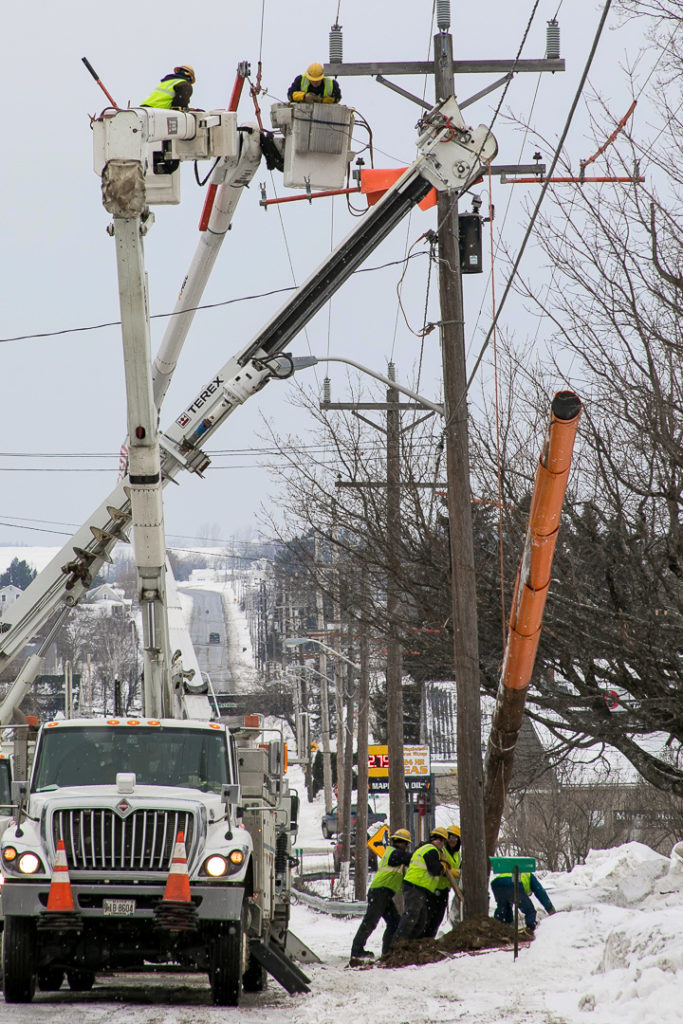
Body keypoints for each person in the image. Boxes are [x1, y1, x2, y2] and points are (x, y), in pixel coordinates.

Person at [349, 828, 412, 962]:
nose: (405, 847)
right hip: (380, 892)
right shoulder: (394, 853)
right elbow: (408, 858)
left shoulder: (394, 854)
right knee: (370, 922)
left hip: (384, 893)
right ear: (402, 843)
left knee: (394, 922)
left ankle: (387, 952)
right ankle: (357, 951)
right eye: (405, 844)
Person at [388, 827, 447, 948]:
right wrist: (443, 867)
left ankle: (410, 945)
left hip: (417, 887)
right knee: (411, 916)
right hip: (415, 887)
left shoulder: (425, 848)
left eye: (442, 840)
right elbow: (435, 870)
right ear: (433, 839)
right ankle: (397, 945)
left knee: (421, 920)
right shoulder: (431, 850)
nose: (440, 842)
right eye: (437, 839)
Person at [422, 824, 461, 938]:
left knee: (437, 919)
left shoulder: (458, 855)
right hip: (433, 888)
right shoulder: (440, 850)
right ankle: (424, 940)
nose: (451, 840)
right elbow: (437, 867)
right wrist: (451, 872)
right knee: (428, 918)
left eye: (454, 838)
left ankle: (430, 940)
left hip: (444, 890)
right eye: (449, 837)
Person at [491, 868, 556, 932]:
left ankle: (499, 927)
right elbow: (540, 892)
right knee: (529, 910)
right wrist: (550, 908)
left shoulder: (510, 872)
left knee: (503, 908)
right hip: (513, 884)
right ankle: (530, 928)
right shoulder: (529, 876)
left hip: (496, 883)